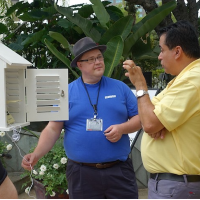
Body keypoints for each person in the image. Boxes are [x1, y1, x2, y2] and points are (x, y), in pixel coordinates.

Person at [22, 37, 142, 199]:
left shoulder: (120, 87)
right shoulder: (65, 92)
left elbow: (140, 118)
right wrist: (36, 155)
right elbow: (52, 129)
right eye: (91, 59)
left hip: (119, 170)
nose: (98, 62)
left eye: (99, 57)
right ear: (80, 65)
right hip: (81, 174)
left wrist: (122, 129)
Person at [123, 20, 200, 199]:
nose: (159, 56)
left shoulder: (191, 80)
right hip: (175, 184)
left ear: (178, 51)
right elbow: (148, 116)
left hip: (177, 185)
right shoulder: (183, 78)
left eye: (162, 49)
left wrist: (141, 86)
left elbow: (149, 123)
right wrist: (156, 121)